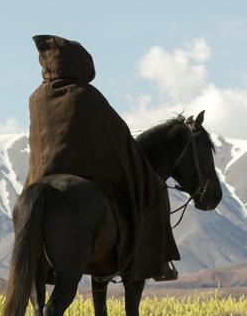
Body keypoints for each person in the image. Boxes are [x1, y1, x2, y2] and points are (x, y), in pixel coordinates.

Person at [24, 34, 180, 282]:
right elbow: (118, 137)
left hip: (40, 175)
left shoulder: (36, 98)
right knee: (152, 190)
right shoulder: (86, 95)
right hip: (90, 172)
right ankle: (155, 261)